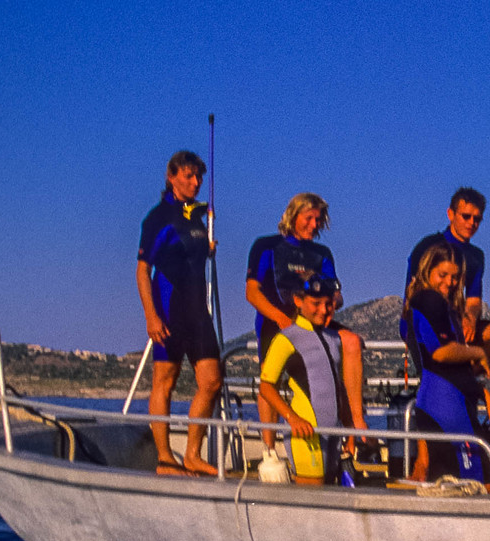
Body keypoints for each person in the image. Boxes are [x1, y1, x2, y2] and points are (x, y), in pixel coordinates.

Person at [137, 149, 223, 477]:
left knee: (212, 380)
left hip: (198, 312)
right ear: (171, 177)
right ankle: (164, 458)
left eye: (198, 176)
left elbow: (192, 248)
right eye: (188, 176)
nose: (196, 182)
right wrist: (151, 316)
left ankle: (192, 454)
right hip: (168, 310)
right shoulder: (158, 218)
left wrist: (207, 247)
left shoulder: (196, 217)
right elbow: (142, 270)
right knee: (165, 380)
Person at [246, 195, 340, 460]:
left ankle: (342, 437)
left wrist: (332, 301)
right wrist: (281, 319)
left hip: (313, 325)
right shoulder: (267, 246)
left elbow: (336, 292)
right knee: (270, 379)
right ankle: (269, 449)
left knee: (351, 345)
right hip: (275, 321)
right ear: (293, 215)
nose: (314, 224)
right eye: (308, 218)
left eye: (318, 219)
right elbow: (252, 293)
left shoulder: (321, 254)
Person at [401, 241, 490, 483]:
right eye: (442, 275)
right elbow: (441, 353)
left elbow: (455, 367)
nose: (449, 282)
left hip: (454, 402)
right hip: (443, 405)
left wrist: (482, 393)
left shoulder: (447, 308)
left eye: (455, 277)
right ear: (427, 271)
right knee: (468, 481)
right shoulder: (429, 301)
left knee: (479, 479)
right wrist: (478, 352)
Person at [256, 278, 368, 486]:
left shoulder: (333, 337)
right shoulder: (287, 338)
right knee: (312, 507)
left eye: (327, 304)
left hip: (333, 433)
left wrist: (350, 432)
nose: (323, 310)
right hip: (306, 435)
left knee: (332, 503)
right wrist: (292, 418)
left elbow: (338, 389)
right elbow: (266, 386)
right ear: (298, 301)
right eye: (315, 304)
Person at [405, 187, 490, 373]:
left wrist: (470, 320)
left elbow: (474, 300)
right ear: (451, 214)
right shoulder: (429, 246)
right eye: (466, 216)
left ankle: (469, 377)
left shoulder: (476, 256)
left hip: (457, 321)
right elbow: (416, 293)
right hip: (426, 321)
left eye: (477, 219)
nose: (471, 223)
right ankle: (461, 381)